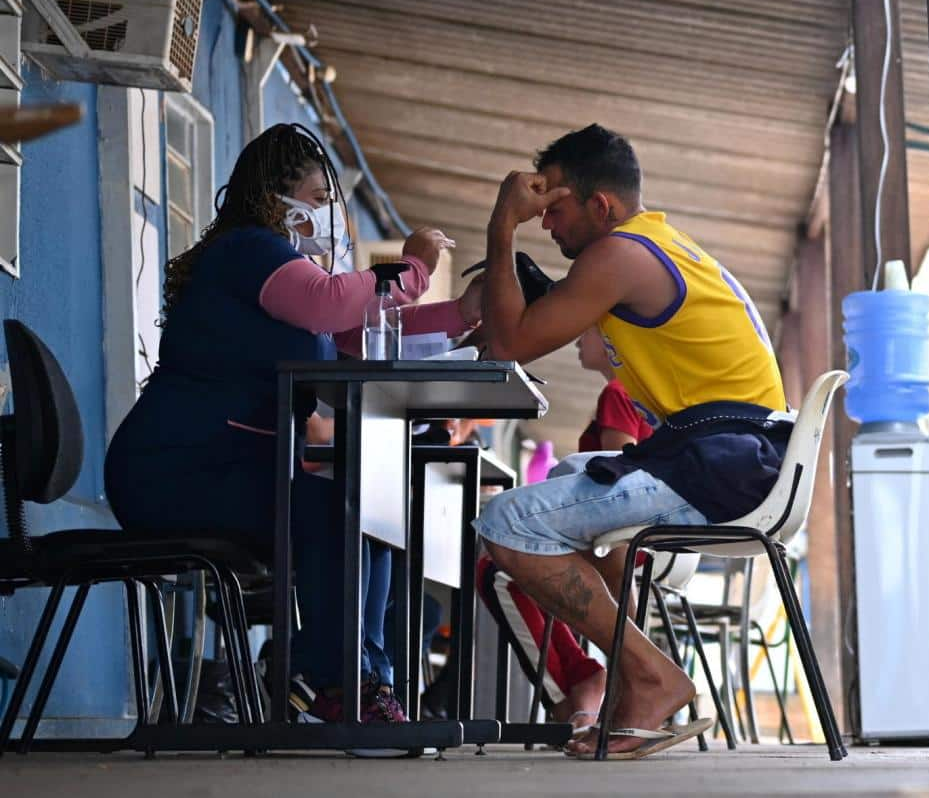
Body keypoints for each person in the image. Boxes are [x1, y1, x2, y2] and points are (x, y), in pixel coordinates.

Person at [104, 123, 475, 725]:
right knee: (341, 511)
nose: (329, 215)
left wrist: (461, 314)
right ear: (276, 198)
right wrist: (412, 269)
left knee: (369, 515)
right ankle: (330, 679)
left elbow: (355, 333)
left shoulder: (289, 282)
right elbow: (329, 301)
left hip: (232, 471)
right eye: (320, 198)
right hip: (175, 473)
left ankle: (361, 682)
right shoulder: (249, 249)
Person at [471, 124, 788, 760]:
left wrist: (501, 225)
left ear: (601, 206)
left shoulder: (617, 255)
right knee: (569, 469)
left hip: (720, 464)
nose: (546, 225)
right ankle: (629, 678)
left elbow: (507, 345)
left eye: (553, 210)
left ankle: (651, 677)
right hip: (736, 457)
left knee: (502, 524)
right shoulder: (662, 242)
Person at [475, 327, 655, 731]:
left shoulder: (618, 393)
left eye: (589, 331)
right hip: (652, 542)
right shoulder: (644, 394)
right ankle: (579, 678)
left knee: (497, 572)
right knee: (519, 563)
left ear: (616, 343)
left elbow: (617, 479)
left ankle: (569, 694)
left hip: (623, 541)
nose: (577, 338)